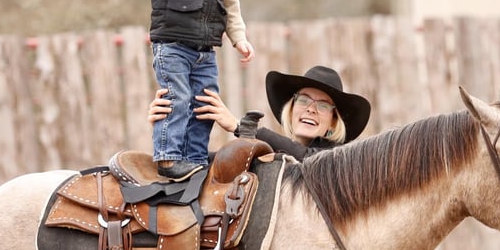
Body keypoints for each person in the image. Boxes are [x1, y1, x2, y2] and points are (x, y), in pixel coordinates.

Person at [141, 0, 255, 181]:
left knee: (205, 104)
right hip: (173, 47)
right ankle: (167, 157)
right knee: (176, 99)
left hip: (205, 52)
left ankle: (193, 159)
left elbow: (231, 5)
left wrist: (239, 38)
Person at [148, 65, 372, 162]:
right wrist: (170, 126)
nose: (311, 108)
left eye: (323, 105)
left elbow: (310, 160)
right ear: (292, 108)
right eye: (304, 100)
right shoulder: (267, 154)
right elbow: (204, 164)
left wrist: (240, 127)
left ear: (333, 123)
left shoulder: (338, 159)